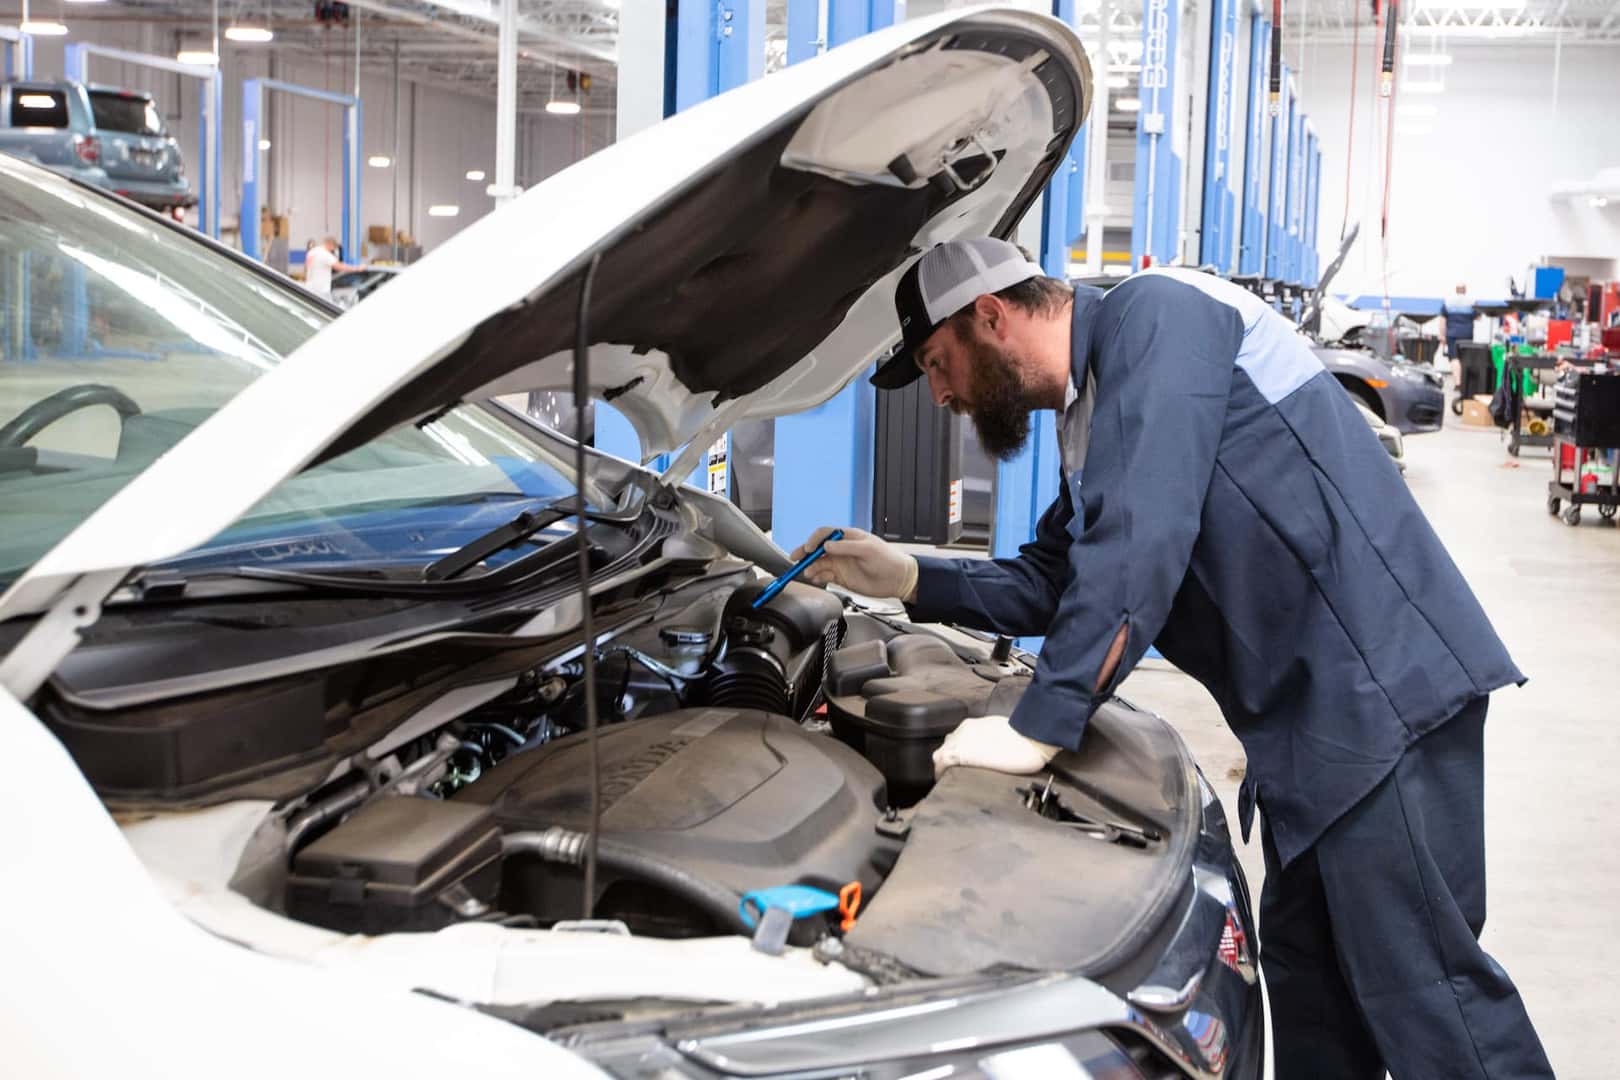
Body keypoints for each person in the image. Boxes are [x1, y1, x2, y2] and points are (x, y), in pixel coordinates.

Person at [793, 237, 1552, 1079]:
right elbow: (1057, 581)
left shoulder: (1162, 318)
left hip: (1381, 705)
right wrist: (906, 576)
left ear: (990, 317)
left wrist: (1040, 725)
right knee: (1314, 1001)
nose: (940, 396)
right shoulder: (1098, 407)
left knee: (1428, 1003)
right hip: (1311, 735)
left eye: (939, 365)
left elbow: (1140, 544)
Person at [1445, 282, 1475, 362]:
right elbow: (1478, 317)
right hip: (1466, 334)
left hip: (1452, 335)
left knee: (1454, 357)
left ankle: (1456, 374)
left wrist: (1442, 336)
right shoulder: (1471, 302)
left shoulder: (1448, 301)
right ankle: (1462, 374)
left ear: (1456, 290)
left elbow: (1442, 319)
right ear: (1465, 290)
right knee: (1465, 357)